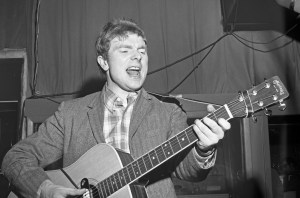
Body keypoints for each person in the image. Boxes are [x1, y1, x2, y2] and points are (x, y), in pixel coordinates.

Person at [1, 18, 231, 198]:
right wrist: (45, 190)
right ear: (103, 62)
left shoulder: (168, 113)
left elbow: (188, 172)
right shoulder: (71, 114)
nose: (137, 57)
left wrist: (203, 149)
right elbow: (16, 158)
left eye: (142, 51)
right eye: (125, 50)